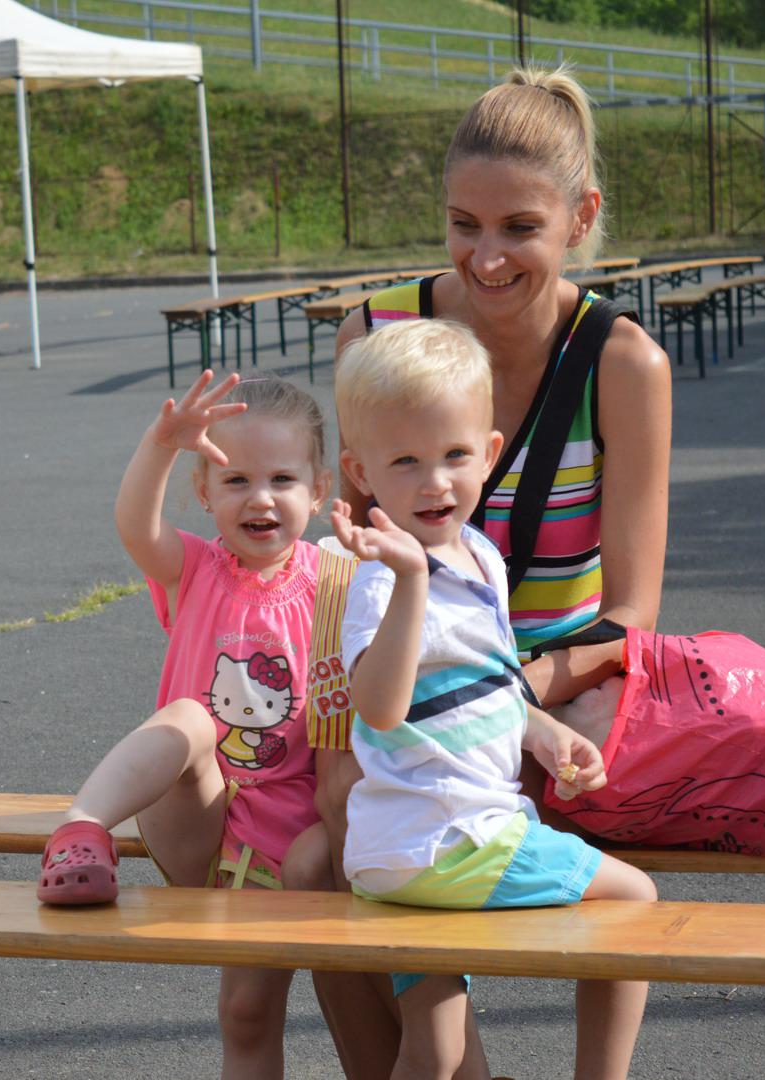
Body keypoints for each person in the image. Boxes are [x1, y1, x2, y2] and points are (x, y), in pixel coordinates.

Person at [287, 64, 673, 1079]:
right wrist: (342, 734)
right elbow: (345, 543)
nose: (486, 257)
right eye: (464, 224)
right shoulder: (376, 330)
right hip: (392, 650)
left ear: (581, 217)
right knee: (317, 851)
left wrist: (520, 704)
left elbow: (632, 610)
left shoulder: (622, 361)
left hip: (556, 672)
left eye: (520, 228)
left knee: (534, 804)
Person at [329, 318, 656, 1080]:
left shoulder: (478, 553)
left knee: (438, 1050)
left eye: (453, 455)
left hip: (408, 850)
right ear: (360, 471)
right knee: (633, 903)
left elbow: (484, 681)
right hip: (448, 842)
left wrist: (541, 731)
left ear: (490, 452)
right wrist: (411, 580)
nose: (434, 482)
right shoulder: (381, 581)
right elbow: (378, 708)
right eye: (405, 461)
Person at [35, 371, 330, 1080]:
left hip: (289, 837)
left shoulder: (337, 585)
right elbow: (136, 526)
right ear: (204, 492)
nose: (260, 498)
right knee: (193, 715)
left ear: (318, 491)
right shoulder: (195, 569)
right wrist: (162, 442)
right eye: (236, 480)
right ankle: (80, 829)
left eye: (282, 479)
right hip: (197, 815)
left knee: (247, 1012)